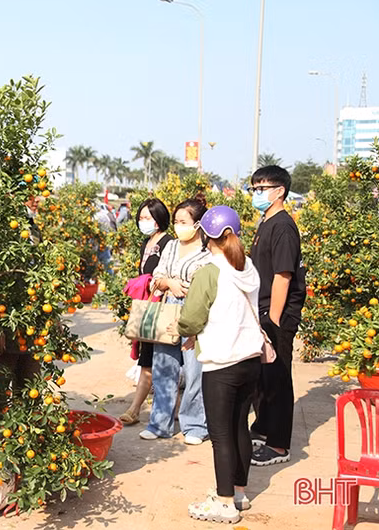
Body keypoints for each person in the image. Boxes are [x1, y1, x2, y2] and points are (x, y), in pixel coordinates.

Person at [170, 206, 264, 524]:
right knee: (239, 427)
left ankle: (224, 503)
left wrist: (182, 330)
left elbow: (193, 316)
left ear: (206, 236)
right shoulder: (247, 267)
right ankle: (238, 493)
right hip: (250, 359)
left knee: (221, 434)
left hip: (222, 363)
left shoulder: (210, 271)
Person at [140, 195, 211, 444]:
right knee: (163, 367)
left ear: (198, 223)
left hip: (196, 311)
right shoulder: (171, 246)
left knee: (194, 371)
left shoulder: (209, 249)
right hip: (169, 308)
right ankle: (160, 423)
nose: (179, 226)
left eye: (183, 221)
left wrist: (189, 291)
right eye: (176, 221)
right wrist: (168, 282)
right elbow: (157, 276)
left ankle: (195, 426)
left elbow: (210, 284)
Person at [247, 165, 306, 466]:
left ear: (280, 190)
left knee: (278, 376)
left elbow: (283, 276)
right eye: (254, 188)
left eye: (263, 188)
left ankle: (279, 445)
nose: (257, 193)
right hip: (261, 310)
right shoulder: (266, 221)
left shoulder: (283, 225)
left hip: (276, 313)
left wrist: (274, 317)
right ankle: (263, 427)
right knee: (262, 376)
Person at [119, 198, 172, 426]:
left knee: (158, 360)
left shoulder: (169, 243)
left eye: (147, 218)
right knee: (148, 357)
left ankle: (137, 408)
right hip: (147, 307)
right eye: (140, 218)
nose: (142, 221)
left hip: (162, 308)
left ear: (159, 219)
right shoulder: (147, 243)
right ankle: (137, 408)